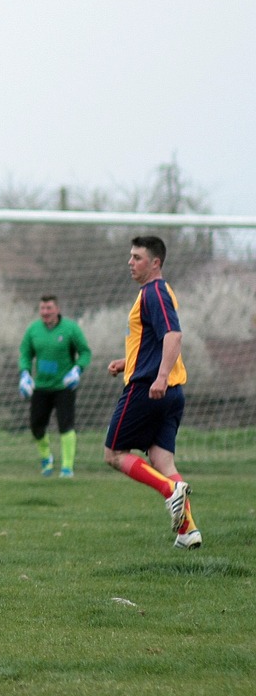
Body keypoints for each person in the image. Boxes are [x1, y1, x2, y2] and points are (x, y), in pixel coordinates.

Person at [103, 235, 200, 549]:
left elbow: (173, 335)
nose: (130, 262)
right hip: (171, 393)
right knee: (163, 460)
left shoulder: (153, 291)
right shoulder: (161, 291)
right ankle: (188, 530)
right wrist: (126, 362)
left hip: (149, 390)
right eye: (130, 257)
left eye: (137, 257)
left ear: (155, 263)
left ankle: (169, 492)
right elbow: (153, 341)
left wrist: (158, 377)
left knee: (114, 454)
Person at [18, 295, 92, 478]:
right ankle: (46, 459)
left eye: (49, 308)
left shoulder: (70, 329)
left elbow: (85, 352)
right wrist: (25, 373)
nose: (45, 312)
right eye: (42, 308)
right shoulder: (33, 330)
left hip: (64, 387)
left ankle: (67, 468)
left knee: (66, 426)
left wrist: (77, 369)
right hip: (40, 387)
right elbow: (25, 354)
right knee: (36, 427)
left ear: (57, 309)